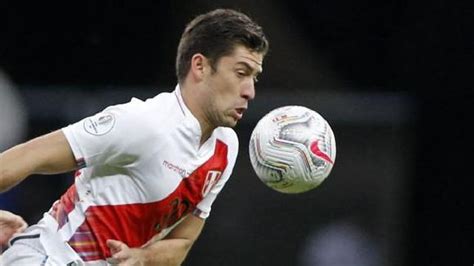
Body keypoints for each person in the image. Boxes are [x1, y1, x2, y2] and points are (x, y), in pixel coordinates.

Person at [0, 8, 269, 265]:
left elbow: (183, 241)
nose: (249, 91)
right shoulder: (141, 122)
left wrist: (144, 258)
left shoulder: (225, 147)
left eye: (254, 78)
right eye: (241, 73)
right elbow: (24, 158)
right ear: (199, 66)